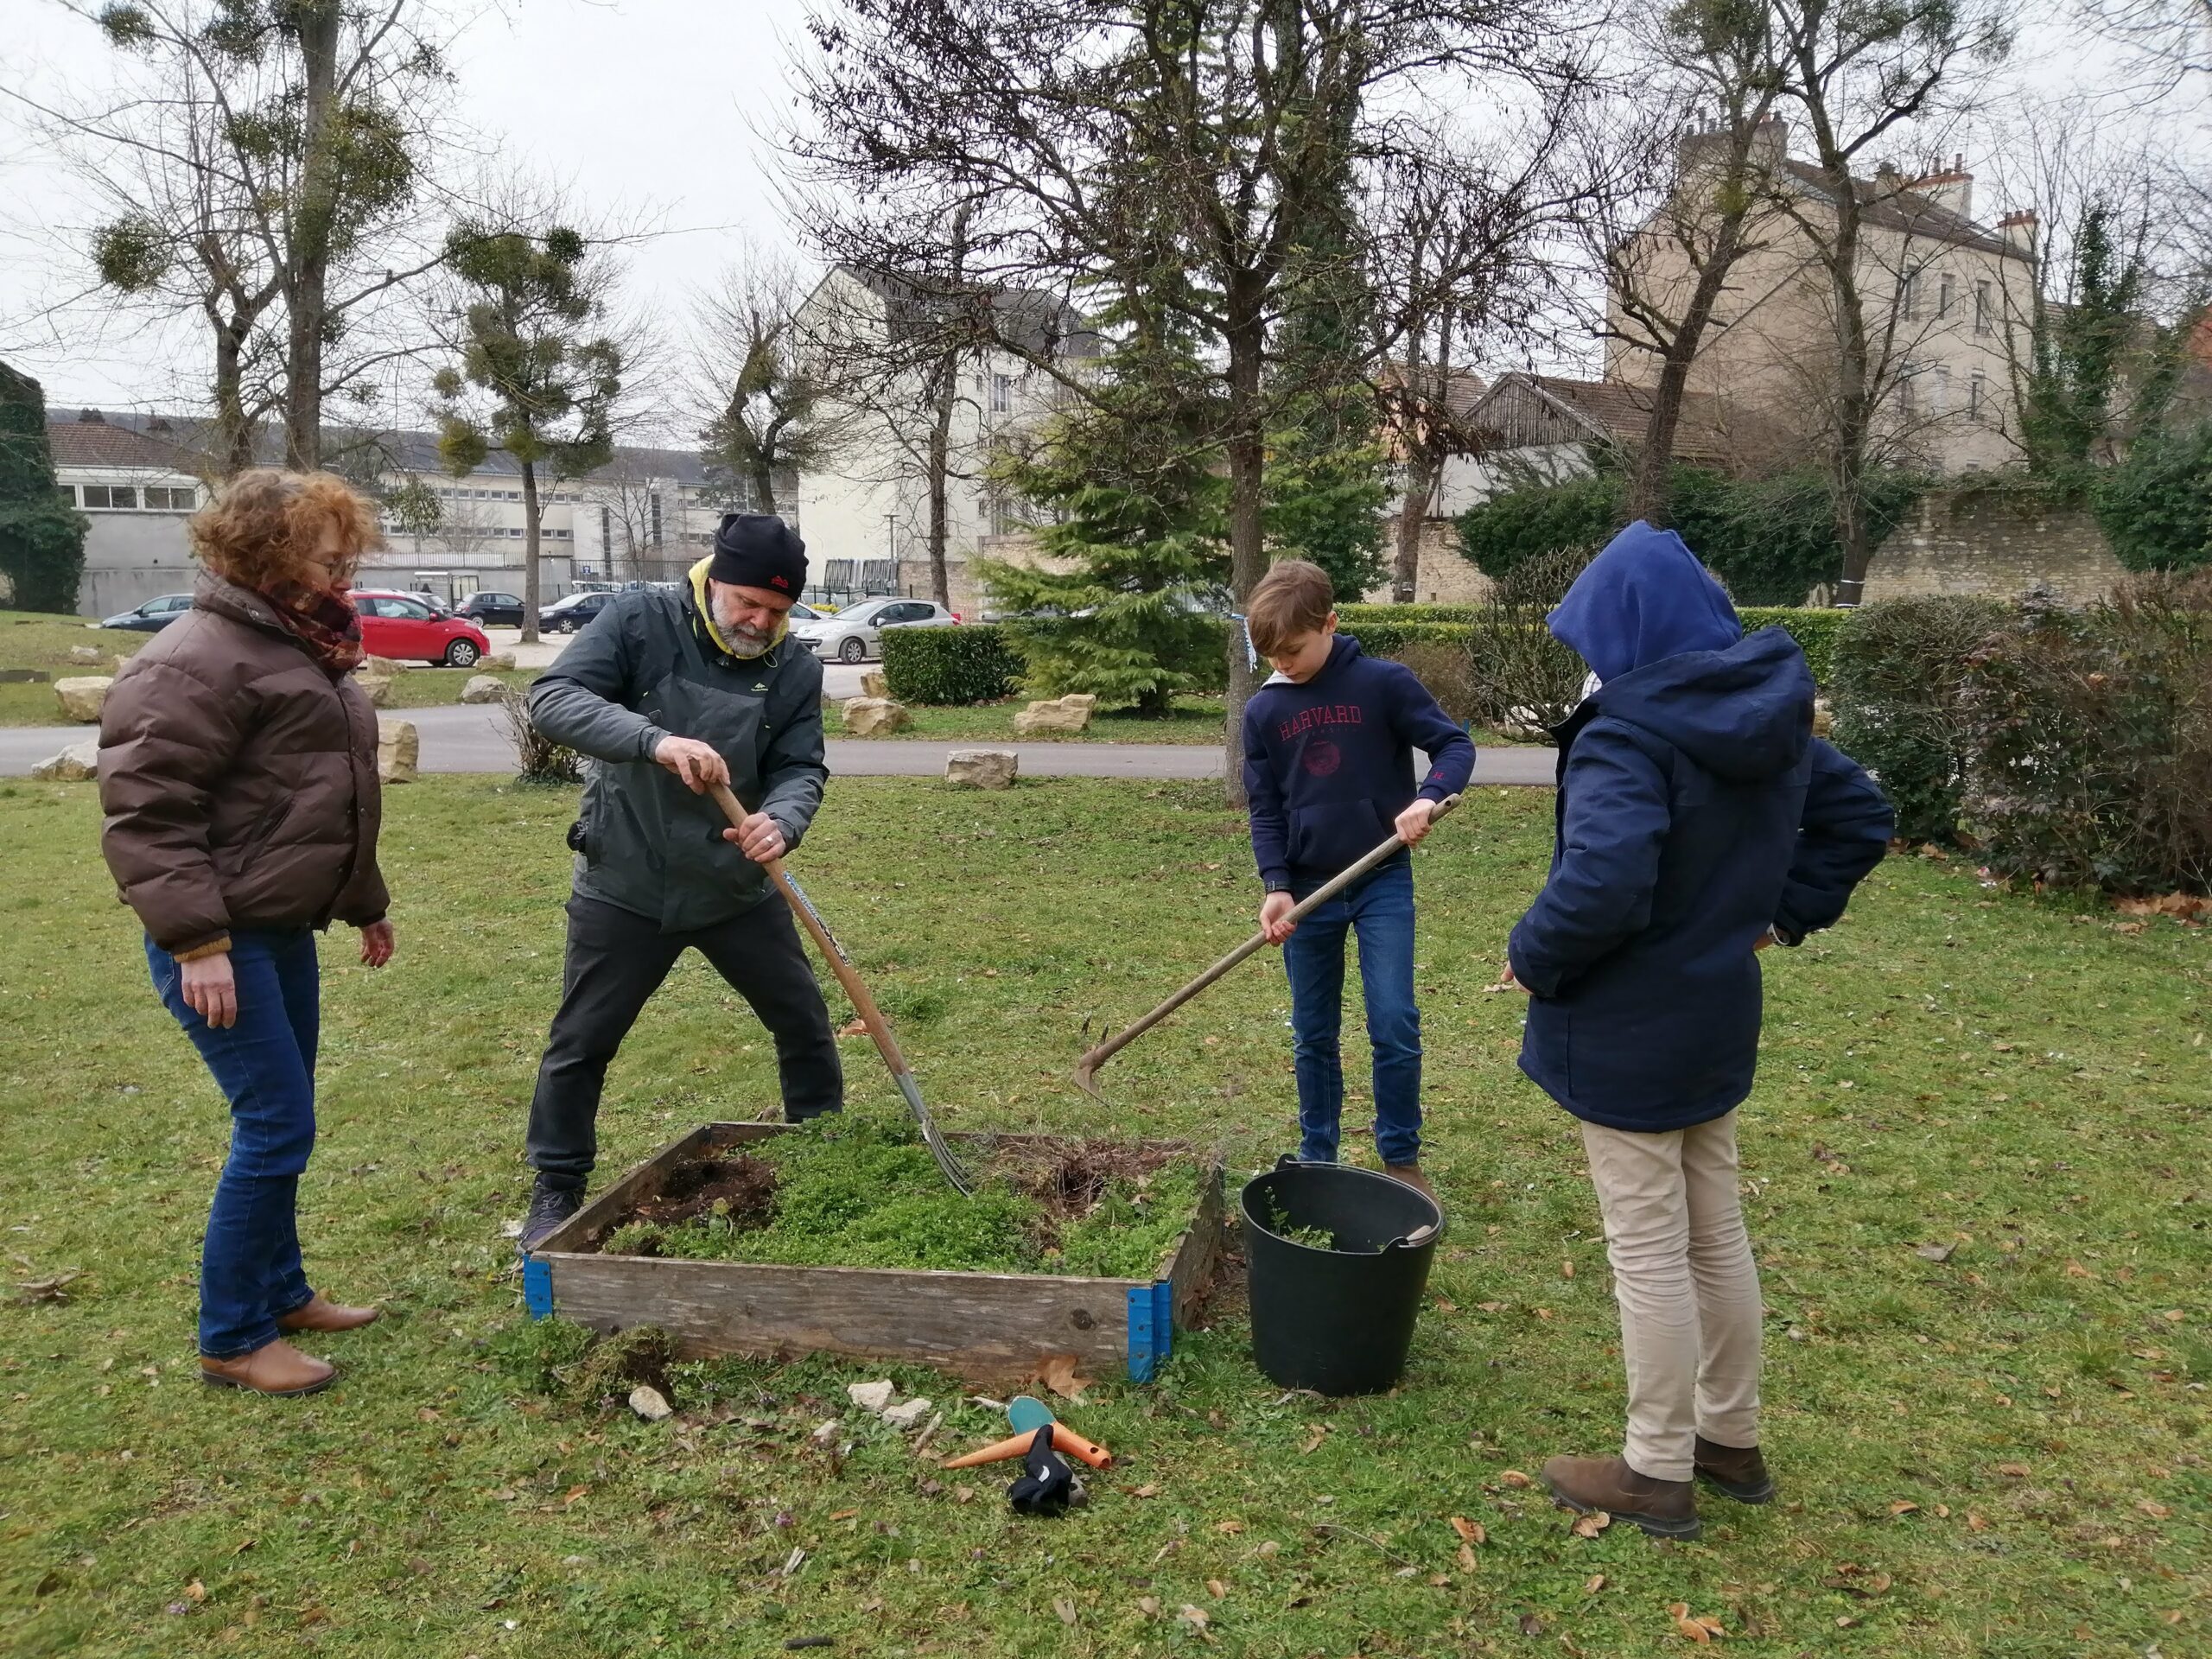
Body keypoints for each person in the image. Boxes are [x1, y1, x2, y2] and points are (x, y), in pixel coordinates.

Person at [1502, 523, 1892, 1540]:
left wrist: (1533, 955)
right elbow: (1857, 816)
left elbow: (1601, 885)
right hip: (1712, 1019)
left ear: (1628, 632)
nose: (1588, 664)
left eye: (1592, 641)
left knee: (1651, 1250)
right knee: (1712, 1234)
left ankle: (1657, 1467)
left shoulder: (1631, 733)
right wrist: (1764, 918)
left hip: (1630, 1029)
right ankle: (1729, 1436)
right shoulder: (1761, 713)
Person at [99, 470, 397, 1399]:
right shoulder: (195, 657)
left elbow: (316, 797)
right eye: (322, 545)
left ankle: (281, 1293)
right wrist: (195, 944)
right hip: (221, 941)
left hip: (279, 929)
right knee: (275, 1126)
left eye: (345, 542)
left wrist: (363, 900)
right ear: (263, 552)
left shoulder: (298, 640)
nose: (343, 561)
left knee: (285, 1115)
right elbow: (147, 813)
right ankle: (231, 1336)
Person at [518, 512, 840, 1250]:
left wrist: (781, 822)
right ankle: (557, 1184)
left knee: (803, 1024)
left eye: (778, 611)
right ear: (713, 579)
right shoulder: (639, 620)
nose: (761, 621)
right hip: (625, 880)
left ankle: (824, 1154)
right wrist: (654, 740)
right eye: (748, 603)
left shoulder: (795, 666)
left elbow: (801, 767)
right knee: (582, 1042)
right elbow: (554, 698)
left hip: (735, 888)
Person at [1241, 559, 1476, 1199]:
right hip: (1309, 893)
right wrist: (1275, 884)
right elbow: (1266, 807)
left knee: (1394, 1018)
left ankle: (1399, 1156)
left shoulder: (1383, 684)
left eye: (1293, 649)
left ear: (1330, 624)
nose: (1283, 663)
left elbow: (1455, 746)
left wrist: (1430, 796)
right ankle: (1319, 1154)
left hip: (1380, 880)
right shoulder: (1264, 712)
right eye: (1271, 653)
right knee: (1312, 1030)